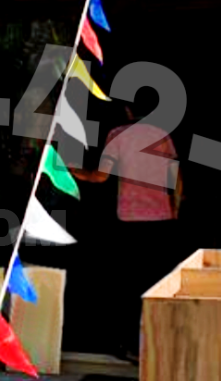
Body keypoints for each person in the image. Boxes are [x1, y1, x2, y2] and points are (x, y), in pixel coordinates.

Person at [74, 99, 183, 361]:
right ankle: (159, 345)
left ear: (127, 110)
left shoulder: (117, 134)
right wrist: (176, 210)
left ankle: (132, 345)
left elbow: (100, 177)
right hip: (162, 219)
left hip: (130, 220)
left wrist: (70, 170)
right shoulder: (162, 134)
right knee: (158, 283)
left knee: (129, 284)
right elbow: (177, 179)